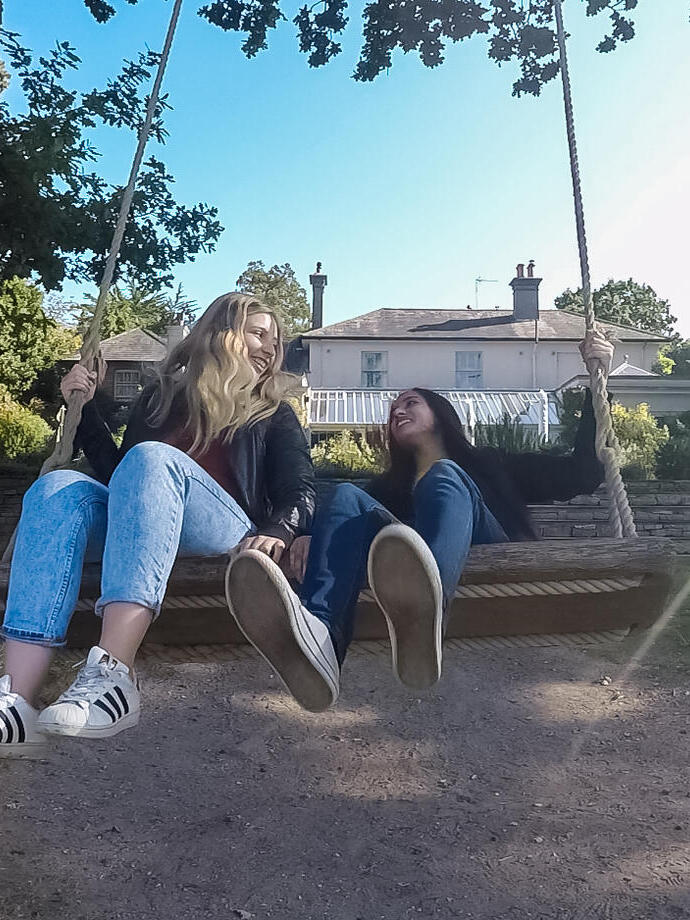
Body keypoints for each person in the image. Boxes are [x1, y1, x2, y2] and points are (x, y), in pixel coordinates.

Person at [225, 328, 615, 713]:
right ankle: (321, 638)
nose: (398, 410)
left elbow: (582, 473)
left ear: (441, 414)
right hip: (407, 577)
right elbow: (343, 523)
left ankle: (429, 605)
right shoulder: (387, 491)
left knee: (443, 475)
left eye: (411, 403)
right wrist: (307, 534)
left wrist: (599, 382)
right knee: (345, 495)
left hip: (490, 552)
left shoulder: (492, 464)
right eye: (393, 409)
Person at [0, 293, 315, 756]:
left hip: (224, 530)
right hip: (146, 528)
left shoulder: (272, 411)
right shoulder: (163, 398)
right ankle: (17, 701)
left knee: (154, 458)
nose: (271, 347)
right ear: (222, 333)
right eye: (258, 333)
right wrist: (84, 408)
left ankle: (112, 674)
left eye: (276, 339)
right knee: (57, 488)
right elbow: (123, 476)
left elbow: (300, 488)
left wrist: (281, 530)